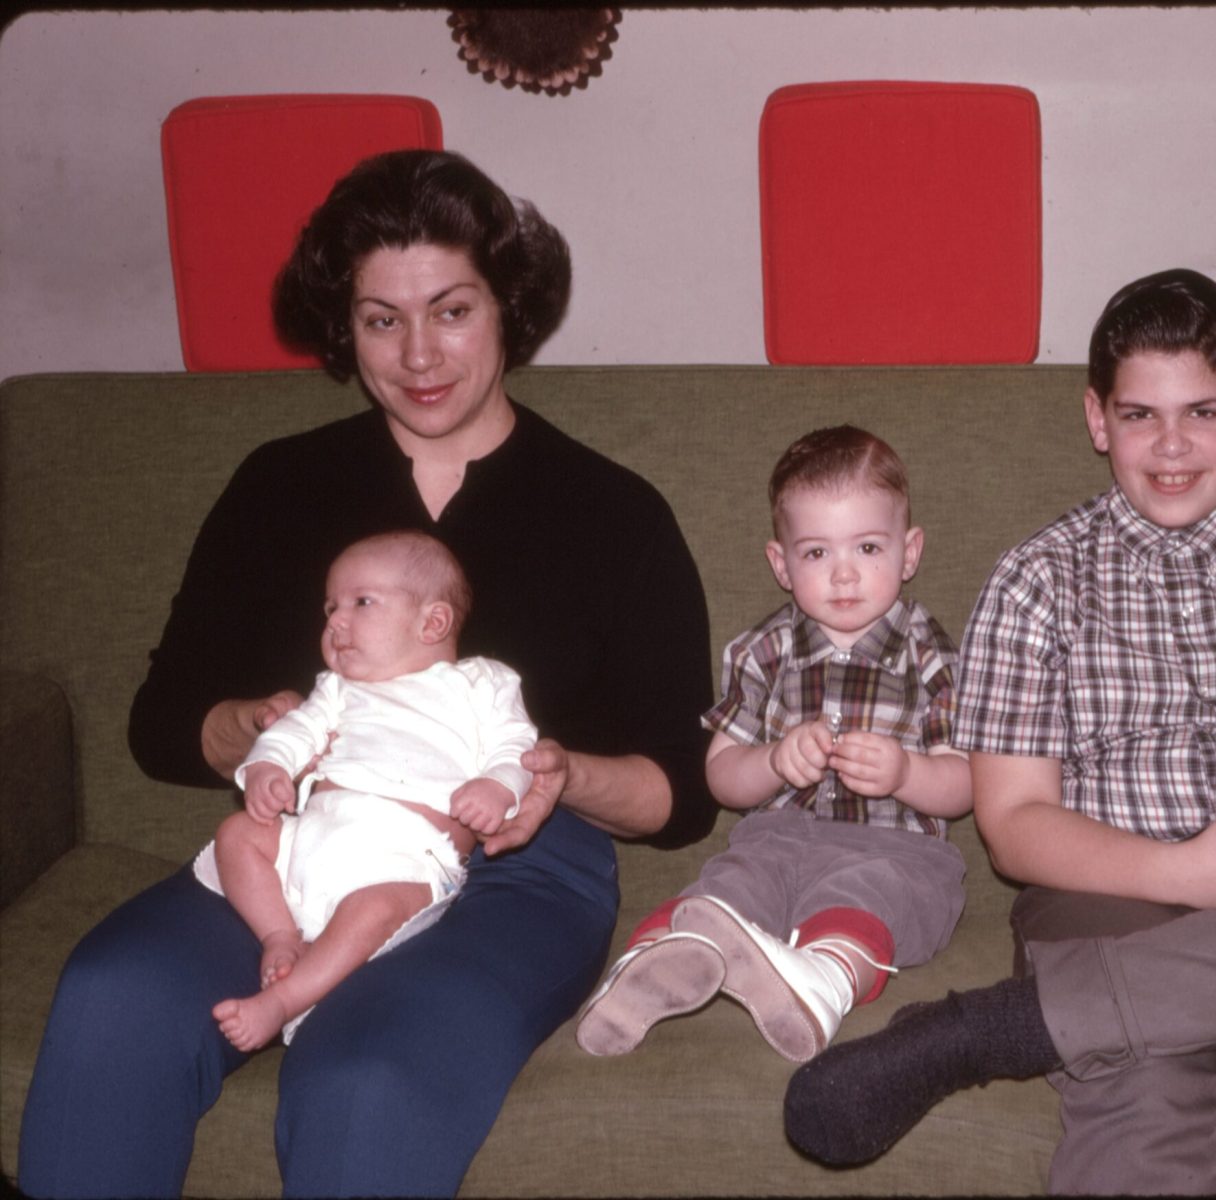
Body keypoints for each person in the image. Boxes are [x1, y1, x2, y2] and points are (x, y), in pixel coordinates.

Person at [18, 149, 714, 1199]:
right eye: (382, 319)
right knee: (113, 992)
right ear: (344, 327)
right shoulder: (278, 486)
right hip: (308, 841)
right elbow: (160, 722)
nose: (419, 354)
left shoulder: (614, 512)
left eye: (452, 310)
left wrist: (561, 776)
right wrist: (251, 731)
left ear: (508, 308)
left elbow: (683, 793)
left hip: (518, 874)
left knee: (366, 1076)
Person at [782, 269, 1216, 1194]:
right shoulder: (1036, 582)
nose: (1172, 446)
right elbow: (1014, 823)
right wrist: (1187, 873)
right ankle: (1100, 1014)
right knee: (1150, 1091)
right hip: (1109, 895)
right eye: (1140, 415)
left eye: (1204, 412)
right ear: (1097, 419)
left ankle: (994, 1030)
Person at [575, 426, 972, 1063]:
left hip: (896, 847)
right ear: (782, 564)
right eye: (816, 553)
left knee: (875, 894)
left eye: (868, 547)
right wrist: (773, 760)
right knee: (728, 886)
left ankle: (821, 980)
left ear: (909, 551)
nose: (844, 573)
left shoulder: (934, 657)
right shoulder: (761, 652)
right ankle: (651, 964)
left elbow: (965, 785)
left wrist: (906, 773)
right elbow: (721, 778)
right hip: (778, 839)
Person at [200, 531, 538, 1052]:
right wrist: (268, 766)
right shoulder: (336, 689)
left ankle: (283, 1002)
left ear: (433, 622)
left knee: (376, 908)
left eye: (361, 602)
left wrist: (498, 786)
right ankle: (280, 935)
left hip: (402, 860)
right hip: (312, 840)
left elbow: (516, 746)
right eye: (330, 608)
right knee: (238, 833)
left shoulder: (482, 684)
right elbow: (294, 732)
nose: (335, 621)